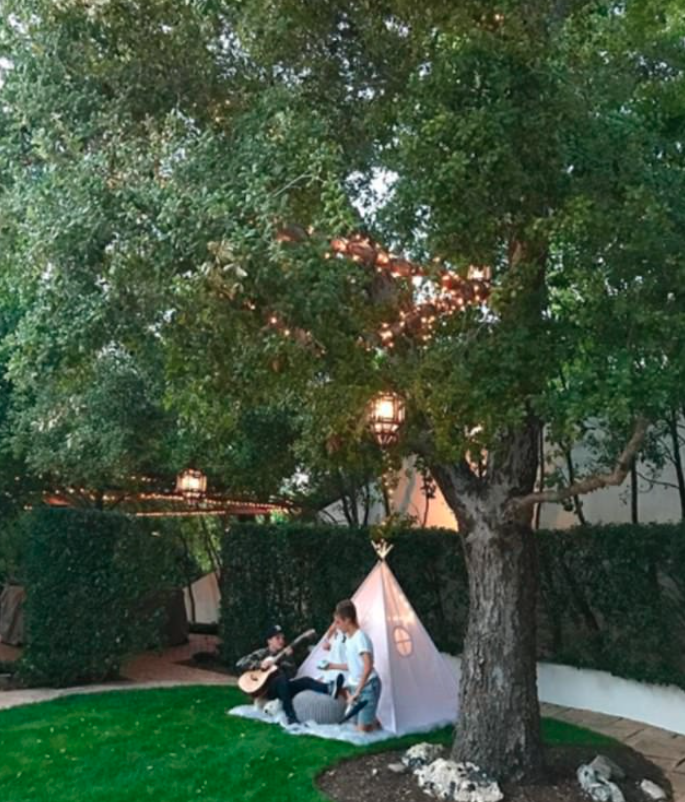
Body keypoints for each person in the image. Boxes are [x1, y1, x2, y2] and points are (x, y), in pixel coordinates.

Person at [236, 624, 334, 726]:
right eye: (277, 638)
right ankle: (291, 716)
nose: (281, 640)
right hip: (268, 690)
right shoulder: (262, 653)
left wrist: (286, 659)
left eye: (282, 638)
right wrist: (260, 664)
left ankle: (329, 688)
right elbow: (240, 663)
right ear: (269, 641)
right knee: (280, 679)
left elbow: (292, 674)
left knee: (305, 681)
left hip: (284, 688)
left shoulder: (286, 655)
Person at [321, 599, 382, 732]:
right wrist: (332, 666)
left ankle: (384, 742)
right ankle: (381, 732)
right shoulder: (349, 639)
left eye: (338, 622)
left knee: (362, 733)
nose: (336, 626)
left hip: (368, 686)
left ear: (347, 620)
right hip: (357, 688)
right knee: (359, 727)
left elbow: (368, 665)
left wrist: (358, 691)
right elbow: (353, 665)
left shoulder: (361, 638)